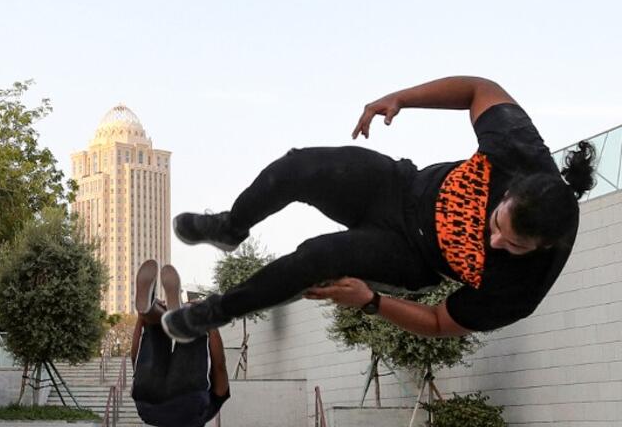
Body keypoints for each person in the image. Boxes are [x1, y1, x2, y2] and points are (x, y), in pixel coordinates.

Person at [162, 76, 597, 343]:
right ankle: (231, 227)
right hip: (399, 186)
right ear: (510, 191)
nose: (495, 240)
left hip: (409, 255)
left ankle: (217, 311)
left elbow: (441, 323)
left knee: (317, 257)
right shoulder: (518, 152)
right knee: (299, 167)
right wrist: (402, 98)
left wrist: (372, 302)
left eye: (513, 245)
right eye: (497, 223)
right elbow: (479, 89)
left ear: (542, 247)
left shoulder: (521, 289)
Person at [130, 259, 230, 427]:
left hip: (189, 401)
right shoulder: (156, 417)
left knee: (192, 333)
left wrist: (210, 324)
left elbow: (219, 367)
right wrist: (141, 319)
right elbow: (135, 360)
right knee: (156, 331)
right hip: (146, 404)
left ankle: (180, 317)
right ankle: (149, 312)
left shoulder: (209, 410)